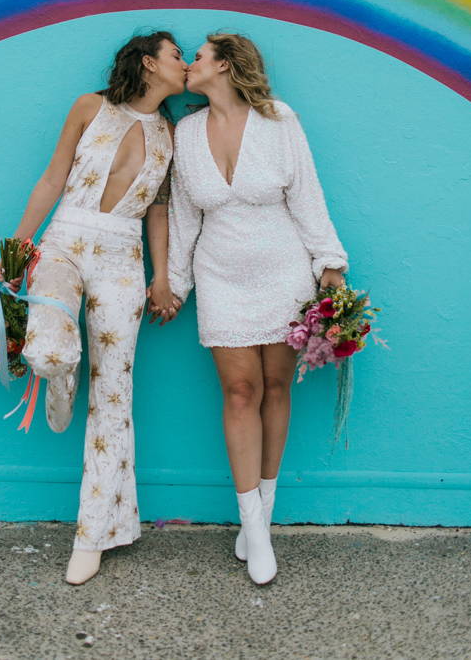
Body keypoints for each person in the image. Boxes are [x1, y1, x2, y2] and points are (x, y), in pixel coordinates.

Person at [0, 31, 185, 585]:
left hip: (123, 257)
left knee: (115, 396)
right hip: (66, 241)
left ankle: (93, 533)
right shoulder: (89, 106)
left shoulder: (170, 134)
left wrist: (162, 278)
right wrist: (18, 247)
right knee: (50, 341)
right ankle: (59, 371)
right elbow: (54, 178)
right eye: (178, 55)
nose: (185, 62)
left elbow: (157, 212)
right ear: (149, 62)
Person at [160, 33, 347, 585]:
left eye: (198, 56)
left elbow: (307, 195)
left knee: (277, 389)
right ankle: (253, 525)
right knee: (239, 392)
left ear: (225, 65)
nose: (191, 63)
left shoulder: (278, 120)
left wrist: (328, 263)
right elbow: (184, 220)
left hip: (283, 272)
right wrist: (174, 284)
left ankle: (261, 519)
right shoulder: (187, 133)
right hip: (220, 278)